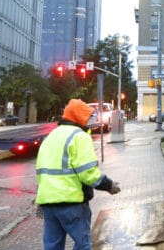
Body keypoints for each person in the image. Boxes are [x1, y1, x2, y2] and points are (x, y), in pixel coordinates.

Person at [35, 99, 121, 250]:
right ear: (79, 118)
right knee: (83, 245)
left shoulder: (50, 137)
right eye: (88, 117)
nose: (89, 121)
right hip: (71, 202)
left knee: (52, 246)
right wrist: (109, 185)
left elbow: (41, 172)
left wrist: (40, 201)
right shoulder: (79, 136)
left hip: (48, 203)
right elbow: (87, 173)